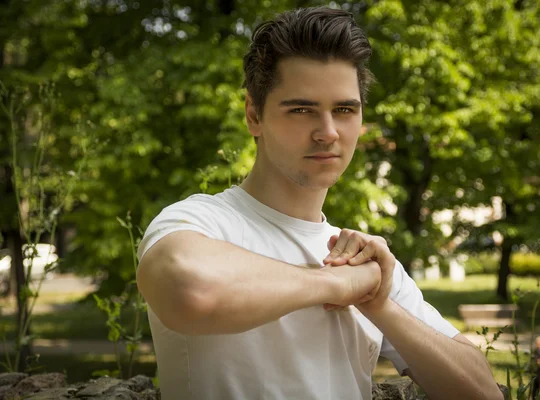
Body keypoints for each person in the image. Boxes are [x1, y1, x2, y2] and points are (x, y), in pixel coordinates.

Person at [136, 6, 503, 400]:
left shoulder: (363, 264)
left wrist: (378, 303)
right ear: (253, 115)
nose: (328, 133)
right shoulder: (199, 222)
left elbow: (483, 393)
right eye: (301, 110)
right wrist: (335, 283)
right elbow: (187, 289)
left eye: (344, 110)